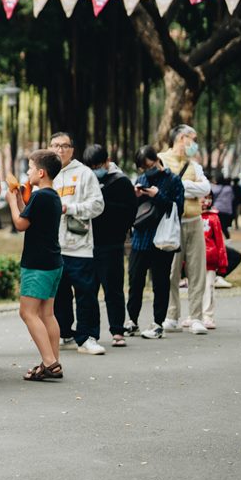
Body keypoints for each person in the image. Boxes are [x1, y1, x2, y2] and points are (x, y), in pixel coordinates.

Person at [5, 149, 64, 380]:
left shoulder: (40, 196)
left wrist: (11, 202)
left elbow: (20, 224)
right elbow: (29, 218)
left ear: (41, 172)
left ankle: (49, 362)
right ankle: (53, 361)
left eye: (30, 168)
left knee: (27, 312)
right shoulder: (51, 196)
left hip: (37, 264)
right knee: (47, 314)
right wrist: (20, 198)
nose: (27, 172)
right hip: (53, 261)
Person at [49, 132, 106, 355]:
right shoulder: (46, 174)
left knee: (85, 293)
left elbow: (98, 205)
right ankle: (64, 333)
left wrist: (71, 208)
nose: (60, 150)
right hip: (54, 246)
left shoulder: (84, 174)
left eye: (65, 146)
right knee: (59, 294)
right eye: (55, 146)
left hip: (80, 246)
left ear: (72, 149)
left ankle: (88, 336)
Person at [81, 144, 136, 347]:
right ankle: (91, 332)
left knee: (113, 288)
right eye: (91, 166)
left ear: (107, 161)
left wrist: (104, 207)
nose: (96, 170)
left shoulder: (121, 182)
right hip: (88, 243)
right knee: (89, 290)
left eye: (98, 165)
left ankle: (117, 330)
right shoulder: (86, 182)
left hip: (112, 243)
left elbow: (130, 212)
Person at [159, 124, 212, 334]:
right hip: (172, 222)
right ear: (182, 138)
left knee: (197, 270)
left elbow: (206, 188)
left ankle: (197, 317)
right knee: (171, 270)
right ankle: (172, 315)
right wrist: (189, 186)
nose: (195, 143)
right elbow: (165, 189)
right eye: (193, 138)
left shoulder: (194, 164)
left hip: (194, 220)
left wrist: (181, 186)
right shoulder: (161, 159)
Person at [128, 147, 185, 339]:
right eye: (143, 168)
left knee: (160, 283)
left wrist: (157, 195)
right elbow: (134, 210)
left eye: (149, 166)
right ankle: (132, 320)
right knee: (135, 280)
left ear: (157, 160)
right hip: (140, 239)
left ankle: (158, 323)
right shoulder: (141, 180)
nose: (147, 170)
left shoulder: (173, 180)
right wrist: (135, 196)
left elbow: (178, 209)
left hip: (162, 240)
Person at [200, 195, 228, 330]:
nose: (205, 201)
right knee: (195, 288)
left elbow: (220, 242)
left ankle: (207, 315)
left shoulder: (213, 218)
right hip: (194, 260)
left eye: (208, 197)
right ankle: (195, 314)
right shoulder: (189, 217)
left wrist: (222, 263)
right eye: (202, 197)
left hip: (210, 259)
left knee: (208, 287)